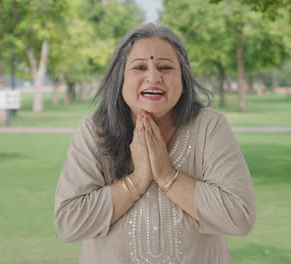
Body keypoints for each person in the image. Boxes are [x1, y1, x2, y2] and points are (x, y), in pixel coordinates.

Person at [54, 23, 256, 264]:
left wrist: (167, 175)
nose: (153, 77)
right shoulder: (95, 131)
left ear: (182, 78)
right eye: (139, 67)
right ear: (120, 78)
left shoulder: (209, 127)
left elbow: (239, 216)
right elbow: (69, 222)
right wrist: (137, 181)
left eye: (165, 67)